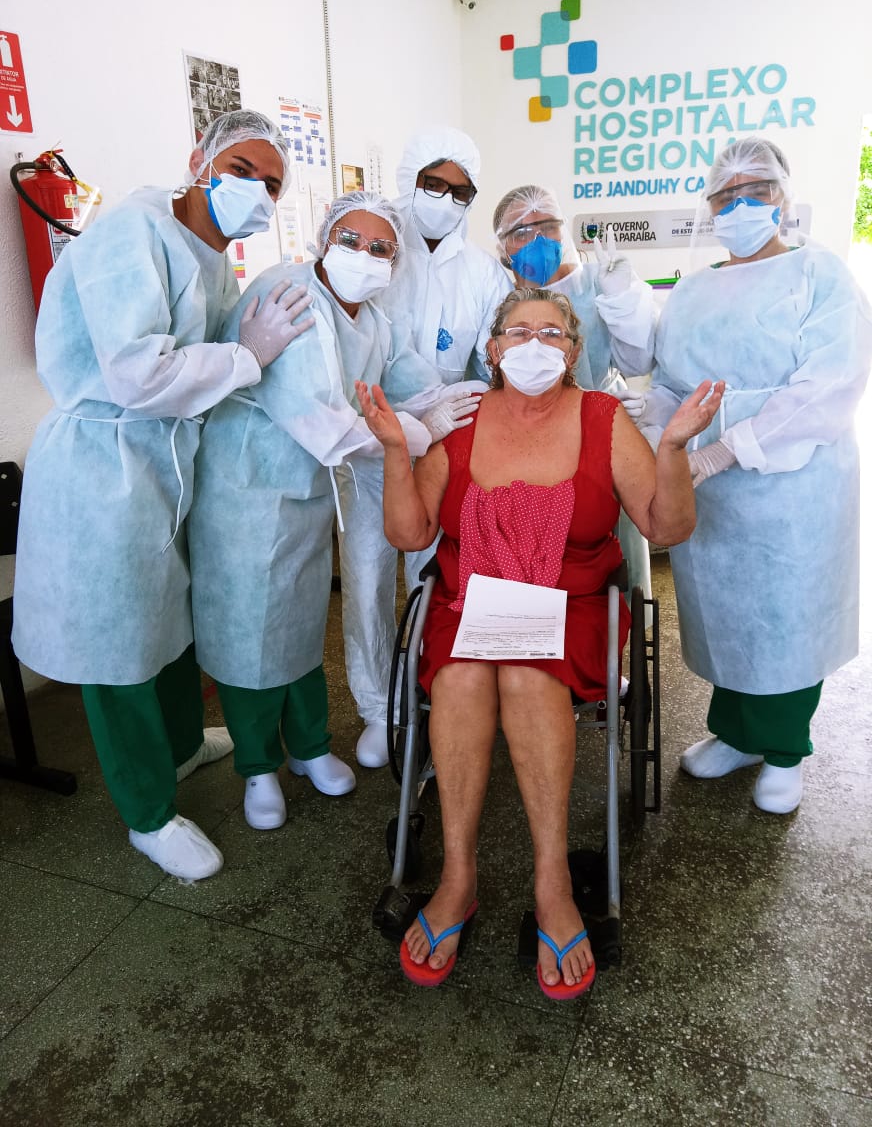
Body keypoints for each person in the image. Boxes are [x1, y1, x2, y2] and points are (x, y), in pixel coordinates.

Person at [356, 287, 723, 996]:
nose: (533, 345)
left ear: (574, 351)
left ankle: (552, 880)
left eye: (551, 334)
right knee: (462, 678)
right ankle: (459, 877)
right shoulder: (458, 418)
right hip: (470, 599)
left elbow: (666, 527)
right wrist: (398, 449)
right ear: (492, 350)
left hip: (571, 601)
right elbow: (409, 535)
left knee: (525, 675)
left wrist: (673, 446)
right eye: (517, 332)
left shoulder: (603, 418)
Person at [12, 109, 314, 880]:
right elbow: (138, 375)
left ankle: (181, 747)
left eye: (272, 184)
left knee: (168, 618)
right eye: (243, 170)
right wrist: (247, 357)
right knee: (115, 647)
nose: (257, 192)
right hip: (101, 469)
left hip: (163, 465)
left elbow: (210, 369)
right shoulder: (129, 233)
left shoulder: (211, 258)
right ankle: (147, 813)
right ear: (200, 158)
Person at [188, 190, 483, 830]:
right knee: (249, 636)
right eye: (351, 240)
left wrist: (478, 395)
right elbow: (326, 425)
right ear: (325, 236)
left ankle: (311, 748)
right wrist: (420, 431)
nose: (364, 256)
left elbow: (412, 381)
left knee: (298, 623)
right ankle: (259, 768)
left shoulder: (373, 317)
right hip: (248, 491)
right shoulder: (290, 294)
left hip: (305, 492)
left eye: (381, 249)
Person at [640, 136, 872, 815]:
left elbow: (829, 384)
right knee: (727, 614)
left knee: (785, 618)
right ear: (710, 206)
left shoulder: (818, 273)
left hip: (793, 487)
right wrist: (650, 414)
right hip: (709, 492)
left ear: (783, 199)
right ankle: (735, 734)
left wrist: (729, 446)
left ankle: (785, 751)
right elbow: (674, 381)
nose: (741, 205)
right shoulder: (692, 288)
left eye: (757, 192)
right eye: (726, 195)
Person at [340, 126, 512, 770]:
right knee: (364, 576)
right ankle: (374, 707)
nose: (444, 199)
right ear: (410, 180)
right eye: (432, 184)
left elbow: (493, 359)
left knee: (432, 577)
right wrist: (407, 412)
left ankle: (427, 697)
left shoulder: (483, 273)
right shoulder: (376, 250)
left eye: (459, 191)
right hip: (366, 446)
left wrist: (454, 407)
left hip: (445, 452)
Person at [491, 185, 657, 604]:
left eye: (548, 226)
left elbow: (639, 359)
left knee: (607, 550)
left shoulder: (597, 281)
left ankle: (609, 641)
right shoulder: (495, 293)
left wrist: (624, 297)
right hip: (528, 437)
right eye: (522, 232)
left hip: (600, 429)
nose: (538, 240)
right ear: (502, 246)